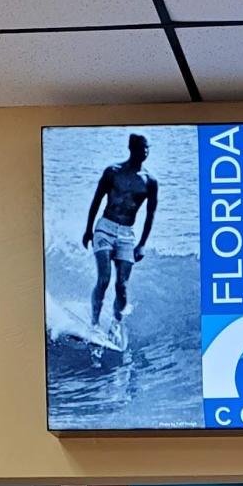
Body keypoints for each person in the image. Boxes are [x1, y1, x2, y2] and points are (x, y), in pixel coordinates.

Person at [81, 133, 158, 345]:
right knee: (104, 279)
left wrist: (142, 244)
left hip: (127, 234)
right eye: (142, 148)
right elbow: (96, 200)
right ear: (131, 149)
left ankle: (115, 324)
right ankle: (94, 324)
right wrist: (89, 230)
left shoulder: (150, 181)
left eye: (147, 148)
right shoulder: (112, 172)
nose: (145, 152)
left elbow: (150, 214)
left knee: (122, 286)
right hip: (104, 227)